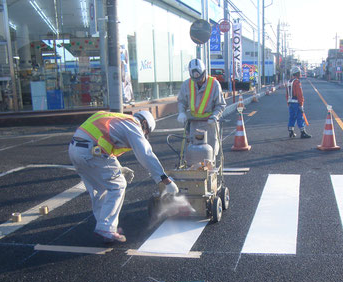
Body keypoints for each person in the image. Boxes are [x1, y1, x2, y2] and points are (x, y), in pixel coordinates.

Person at [68, 110, 179, 243]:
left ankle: (105, 227)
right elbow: (145, 153)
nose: (144, 135)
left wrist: (118, 168)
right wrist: (165, 180)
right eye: (146, 132)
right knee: (118, 185)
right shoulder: (133, 125)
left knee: (99, 189)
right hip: (92, 153)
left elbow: (102, 141)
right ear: (144, 123)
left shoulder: (117, 119)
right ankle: (106, 227)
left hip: (75, 150)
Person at [177, 59, 226, 162]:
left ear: (204, 72)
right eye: (195, 79)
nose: (198, 81)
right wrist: (181, 112)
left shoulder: (214, 84)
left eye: (200, 78)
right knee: (192, 153)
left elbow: (220, 104)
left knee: (209, 154)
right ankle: (194, 173)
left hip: (210, 124)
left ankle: (210, 174)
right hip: (194, 124)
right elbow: (182, 101)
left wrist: (215, 116)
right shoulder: (187, 85)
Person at [286, 66, 311, 138]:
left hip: (290, 102)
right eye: (299, 73)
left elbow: (287, 94)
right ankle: (303, 132)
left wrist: (288, 102)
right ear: (297, 73)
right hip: (296, 103)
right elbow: (299, 94)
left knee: (292, 117)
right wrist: (301, 104)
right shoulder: (297, 82)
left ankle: (291, 131)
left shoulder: (289, 82)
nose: (300, 74)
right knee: (300, 117)